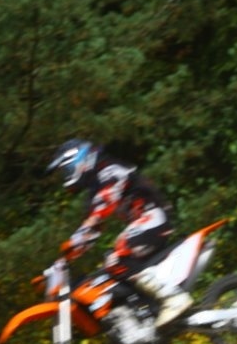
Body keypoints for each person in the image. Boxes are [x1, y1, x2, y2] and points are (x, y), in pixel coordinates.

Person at [46, 138, 192, 326]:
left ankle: (172, 297)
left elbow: (104, 205)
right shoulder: (95, 188)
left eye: (66, 169)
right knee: (109, 267)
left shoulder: (110, 170)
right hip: (145, 223)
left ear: (79, 160)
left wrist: (80, 235)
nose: (65, 175)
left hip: (154, 217)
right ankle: (145, 312)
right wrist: (66, 257)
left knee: (119, 255)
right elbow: (92, 230)